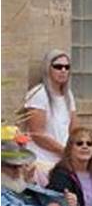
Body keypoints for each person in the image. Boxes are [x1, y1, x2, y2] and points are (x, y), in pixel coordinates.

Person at [22, 49, 77, 185]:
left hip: (62, 161)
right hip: (43, 162)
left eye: (67, 67)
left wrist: (75, 149)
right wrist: (65, 152)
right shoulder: (38, 94)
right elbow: (37, 134)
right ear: (48, 69)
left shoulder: (68, 95)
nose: (63, 70)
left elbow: (74, 129)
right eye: (58, 66)